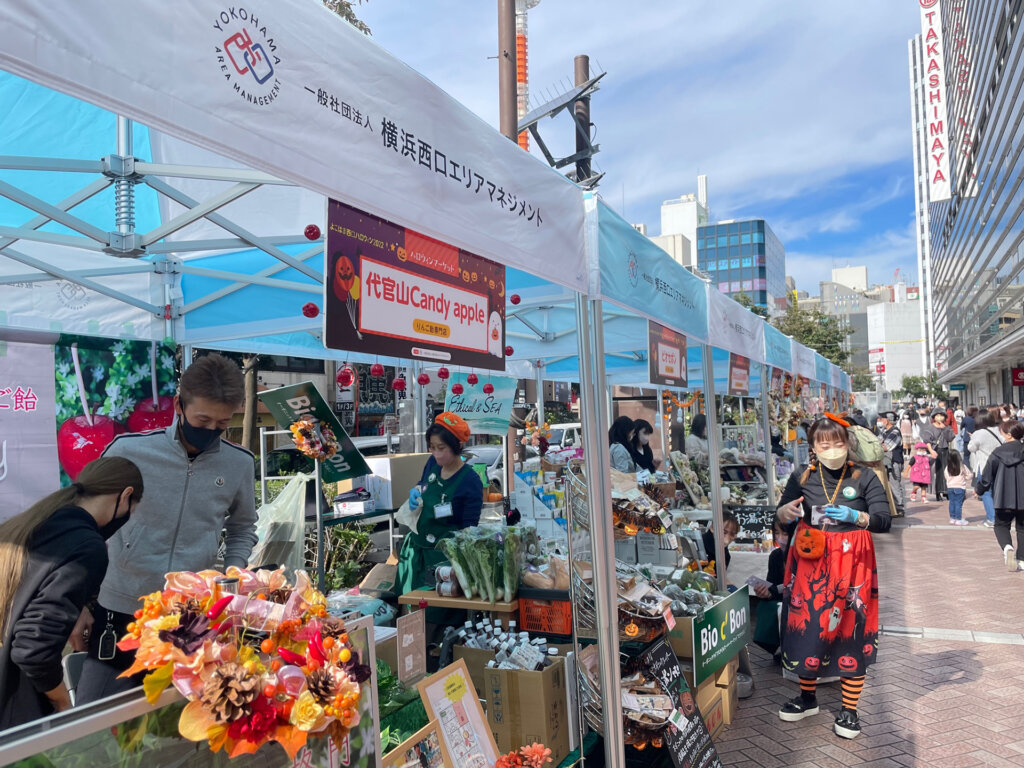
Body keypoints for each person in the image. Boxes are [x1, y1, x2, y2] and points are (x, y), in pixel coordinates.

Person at [76, 353, 257, 704]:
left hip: (189, 618)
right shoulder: (128, 451)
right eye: (202, 419)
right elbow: (85, 525)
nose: (210, 431)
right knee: (95, 722)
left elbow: (243, 526)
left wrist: (231, 579)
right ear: (178, 405)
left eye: (222, 424)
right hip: (121, 612)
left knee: (175, 729)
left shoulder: (238, 464)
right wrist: (80, 600)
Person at [0, 458, 142, 727]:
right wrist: (64, 704)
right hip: (13, 711)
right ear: (126, 496)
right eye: (132, 510)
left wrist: (77, 609)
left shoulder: (38, 522)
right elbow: (33, 651)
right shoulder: (87, 546)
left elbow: (28, 591)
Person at [775, 414, 891, 740]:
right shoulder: (802, 476)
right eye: (823, 444)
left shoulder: (865, 476)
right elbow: (783, 514)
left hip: (853, 564)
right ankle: (807, 697)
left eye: (837, 442)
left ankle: (849, 709)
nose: (832, 449)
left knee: (849, 630)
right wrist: (784, 513)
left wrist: (859, 516)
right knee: (807, 627)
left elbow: (884, 520)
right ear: (812, 447)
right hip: (811, 562)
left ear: (848, 443)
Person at [397, 412, 483, 595]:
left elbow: (469, 531)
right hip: (416, 552)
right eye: (432, 447)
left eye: (441, 448)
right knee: (409, 612)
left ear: (457, 447)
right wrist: (416, 490)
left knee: (435, 616)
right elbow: (423, 484)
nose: (436, 454)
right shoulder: (432, 463)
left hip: (444, 563)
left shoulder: (470, 481)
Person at [976, 420, 1024, 572]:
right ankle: (1022, 560)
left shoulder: (998, 452)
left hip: (1003, 497)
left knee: (1001, 525)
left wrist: (979, 489)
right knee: (1022, 529)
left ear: (1009, 435)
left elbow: (986, 477)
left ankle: (1007, 547)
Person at [752, 513, 789, 657]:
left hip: (802, 599)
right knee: (765, 606)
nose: (781, 538)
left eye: (785, 533)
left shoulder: (803, 554)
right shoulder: (776, 556)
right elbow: (772, 585)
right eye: (777, 533)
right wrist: (766, 592)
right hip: (782, 598)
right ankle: (778, 647)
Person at [968, 411, 1002, 528]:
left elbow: (971, 448)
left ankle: (991, 519)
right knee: (996, 492)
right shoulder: (998, 430)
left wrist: (972, 438)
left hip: (984, 466)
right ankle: (998, 517)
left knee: (986, 493)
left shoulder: (979, 433)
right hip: (998, 465)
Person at [920, 410, 954, 501]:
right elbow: (927, 441)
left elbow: (950, 438)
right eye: (938, 415)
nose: (940, 417)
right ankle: (938, 492)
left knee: (946, 471)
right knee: (937, 472)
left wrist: (945, 429)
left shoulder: (947, 427)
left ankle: (946, 491)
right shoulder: (930, 428)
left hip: (945, 450)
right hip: (935, 451)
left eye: (942, 415)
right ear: (934, 417)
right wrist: (931, 451)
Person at [876, 412, 905, 514]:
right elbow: (877, 442)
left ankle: (899, 508)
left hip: (894, 462)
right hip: (886, 462)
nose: (879, 421)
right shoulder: (884, 431)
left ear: (886, 420)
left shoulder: (895, 432)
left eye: (881, 419)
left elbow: (886, 447)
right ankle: (891, 508)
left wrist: (880, 445)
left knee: (894, 485)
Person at [944, 450, 973, 526]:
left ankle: (952, 518)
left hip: (950, 487)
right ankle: (958, 519)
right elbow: (969, 475)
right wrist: (964, 478)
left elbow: (946, 476)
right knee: (958, 504)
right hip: (960, 488)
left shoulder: (947, 468)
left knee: (952, 503)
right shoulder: (962, 467)